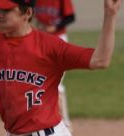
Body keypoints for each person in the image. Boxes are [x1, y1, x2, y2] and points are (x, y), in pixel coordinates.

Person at [0, 0, 122, 136]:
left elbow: (100, 60)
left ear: (27, 13)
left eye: (7, 9)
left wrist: (110, 16)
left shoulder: (49, 46)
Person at [33, 0, 75, 129]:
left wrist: (55, 26)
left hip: (58, 40)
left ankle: (65, 123)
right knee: (38, 81)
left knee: (56, 84)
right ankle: (48, 120)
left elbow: (70, 17)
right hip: (40, 41)